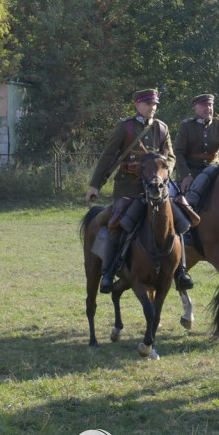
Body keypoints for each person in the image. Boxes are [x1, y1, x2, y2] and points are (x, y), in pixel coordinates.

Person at [85, 88, 176, 294]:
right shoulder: (124, 127)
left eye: (154, 105)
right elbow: (108, 156)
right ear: (137, 104)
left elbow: (170, 156)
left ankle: (181, 270)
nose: (152, 108)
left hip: (157, 187)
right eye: (148, 104)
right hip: (129, 187)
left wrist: (165, 170)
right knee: (117, 222)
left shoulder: (162, 128)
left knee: (180, 218)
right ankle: (108, 272)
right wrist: (95, 185)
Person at [171, 93, 219, 290]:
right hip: (191, 171)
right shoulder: (186, 126)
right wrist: (185, 175)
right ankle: (187, 233)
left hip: (214, 169)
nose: (207, 108)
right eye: (203, 106)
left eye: (210, 105)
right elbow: (179, 152)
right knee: (184, 200)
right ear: (195, 108)